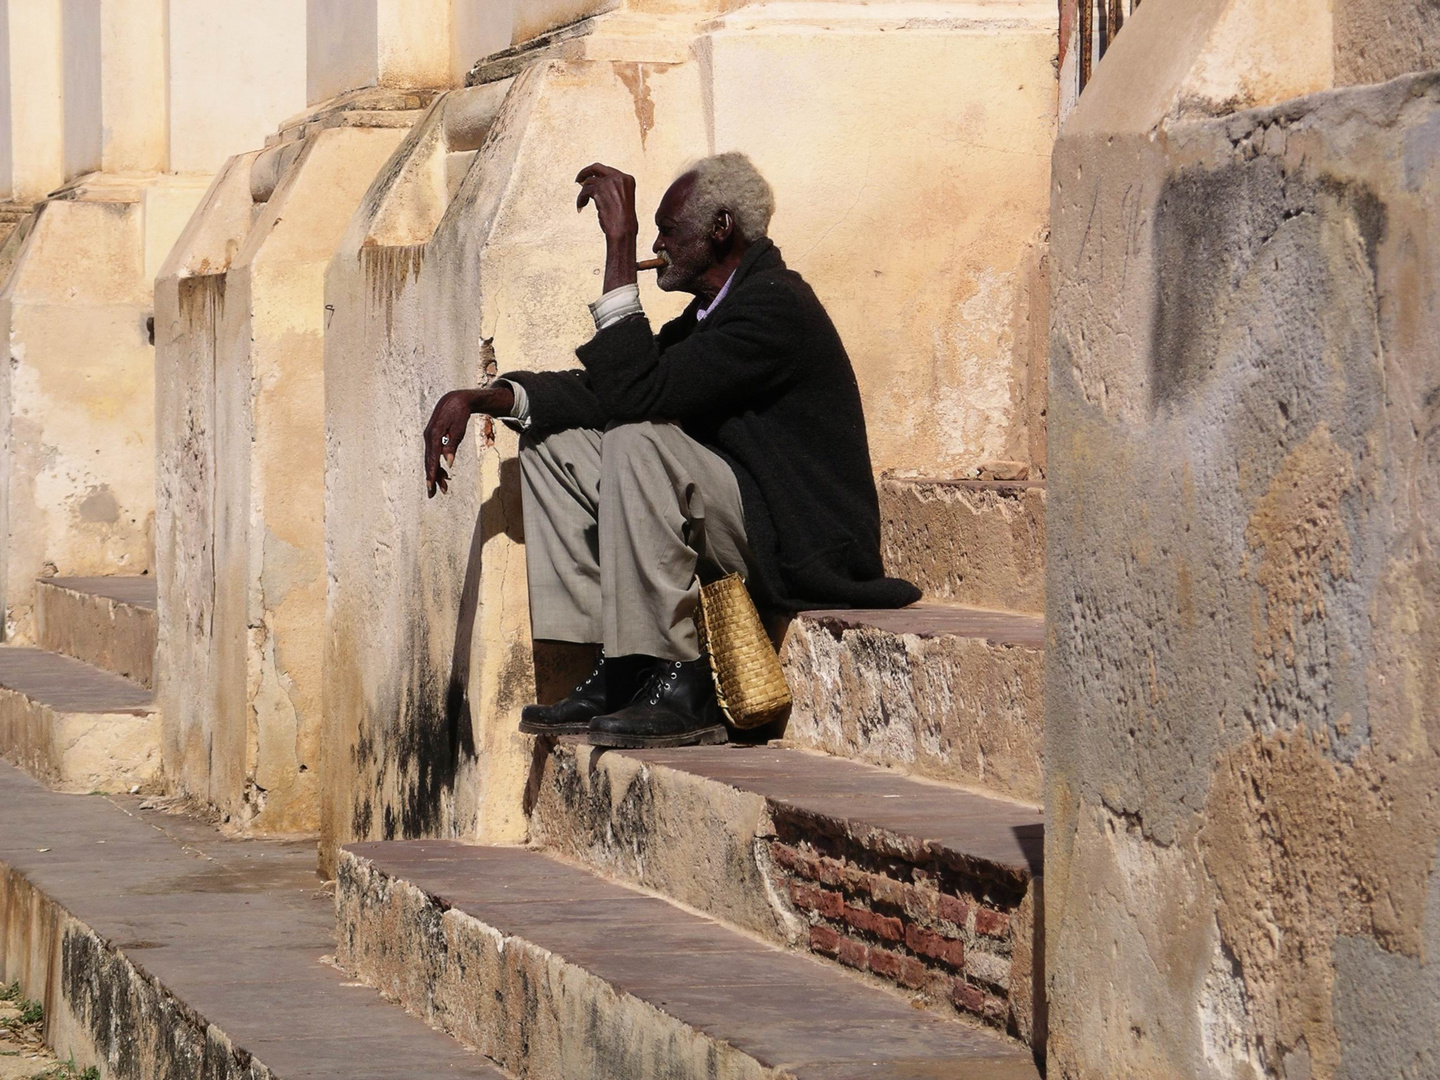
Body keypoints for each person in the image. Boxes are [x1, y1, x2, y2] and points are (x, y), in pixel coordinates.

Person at [423, 152, 918, 748]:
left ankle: (684, 679)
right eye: (649, 231)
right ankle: (623, 663)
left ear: (720, 229)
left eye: (668, 231)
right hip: (744, 517)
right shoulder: (709, 318)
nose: (656, 244)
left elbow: (636, 394)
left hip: (795, 540)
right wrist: (488, 398)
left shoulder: (774, 307)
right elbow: (605, 392)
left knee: (636, 437)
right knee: (553, 445)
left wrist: (618, 246)